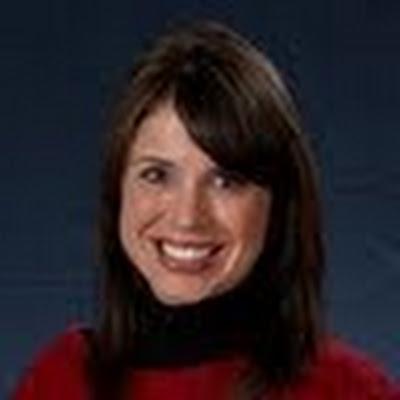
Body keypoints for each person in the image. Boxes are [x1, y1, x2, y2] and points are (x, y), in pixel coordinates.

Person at [13, 19, 399, 400]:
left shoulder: (349, 389)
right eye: (157, 175)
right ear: (118, 191)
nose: (187, 217)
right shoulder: (61, 380)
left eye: (225, 181)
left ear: (279, 204)